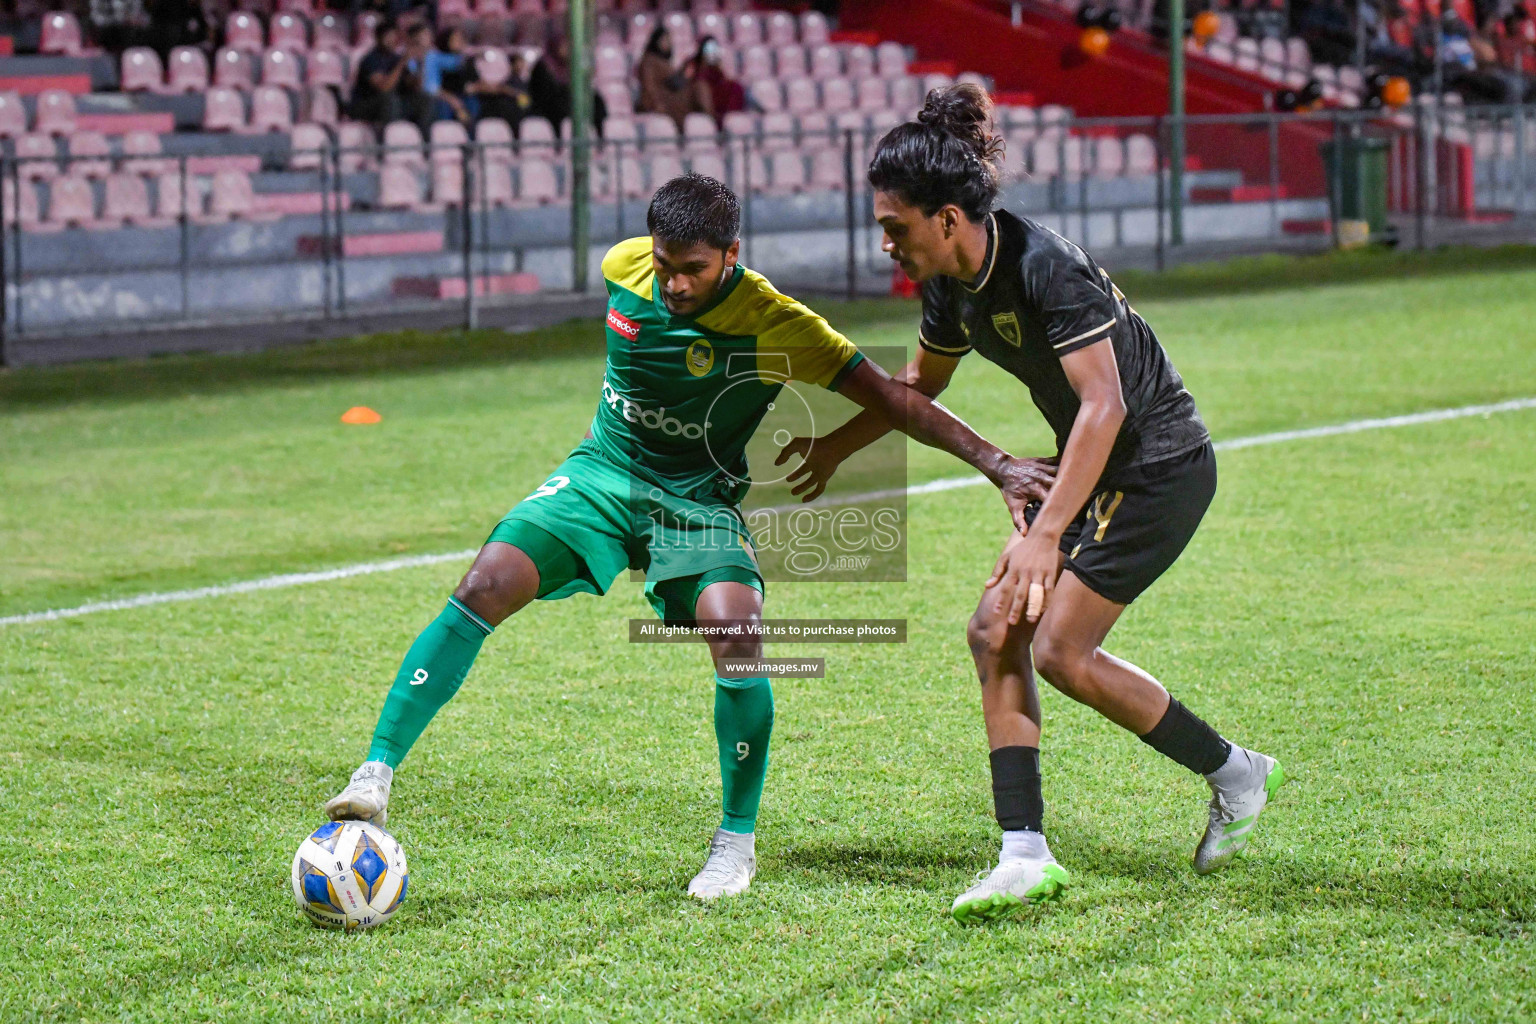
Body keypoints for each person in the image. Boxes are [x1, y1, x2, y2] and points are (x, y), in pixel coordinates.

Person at [322, 173, 1057, 902]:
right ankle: (375, 774)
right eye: (666, 265)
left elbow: (895, 397)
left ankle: (736, 843)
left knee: (736, 629)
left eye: (694, 270)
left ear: (731, 254)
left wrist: (998, 464)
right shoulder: (622, 265)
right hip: (603, 473)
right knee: (482, 584)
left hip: (699, 502)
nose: (674, 285)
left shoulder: (777, 322)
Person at [779, 86, 1284, 924]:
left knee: (1058, 650)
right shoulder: (950, 286)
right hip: (1095, 472)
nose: (884, 243)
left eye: (894, 225)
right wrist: (835, 448)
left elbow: (1106, 406)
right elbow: (917, 391)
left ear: (947, 218)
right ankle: (1025, 852)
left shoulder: (1045, 265)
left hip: (1159, 469)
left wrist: (1045, 535)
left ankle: (1236, 773)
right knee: (993, 632)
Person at [350, 21, 433, 137]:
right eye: (388, 36)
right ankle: (389, 142)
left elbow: (415, 86)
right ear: (379, 38)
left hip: (394, 104)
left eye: (394, 35)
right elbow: (384, 88)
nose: (392, 39)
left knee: (425, 99)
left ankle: (424, 143)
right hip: (366, 104)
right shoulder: (370, 59)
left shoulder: (396, 58)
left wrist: (421, 62)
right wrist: (403, 62)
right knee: (390, 100)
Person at [530, 34, 608, 137]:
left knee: (596, 100)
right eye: (563, 46)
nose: (566, 50)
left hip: (567, 99)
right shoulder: (544, 65)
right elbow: (545, 92)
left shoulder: (567, 65)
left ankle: (600, 138)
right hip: (549, 105)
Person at [636, 27, 712, 131]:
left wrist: (684, 75)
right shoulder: (649, 61)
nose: (668, 43)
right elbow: (649, 88)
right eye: (665, 40)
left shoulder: (664, 61)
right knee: (699, 88)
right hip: (662, 103)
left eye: (669, 40)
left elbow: (673, 82)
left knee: (700, 86)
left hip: (673, 99)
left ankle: (709, 122)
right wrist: (657, 105)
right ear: (656, 41)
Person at [684, 36, 752, 126]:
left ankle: (732, 118)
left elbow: (721, 78)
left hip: (717, 91)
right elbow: (690, 79)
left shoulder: (716, 65)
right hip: (705, 93)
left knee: (737, 87)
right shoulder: (694, 64)